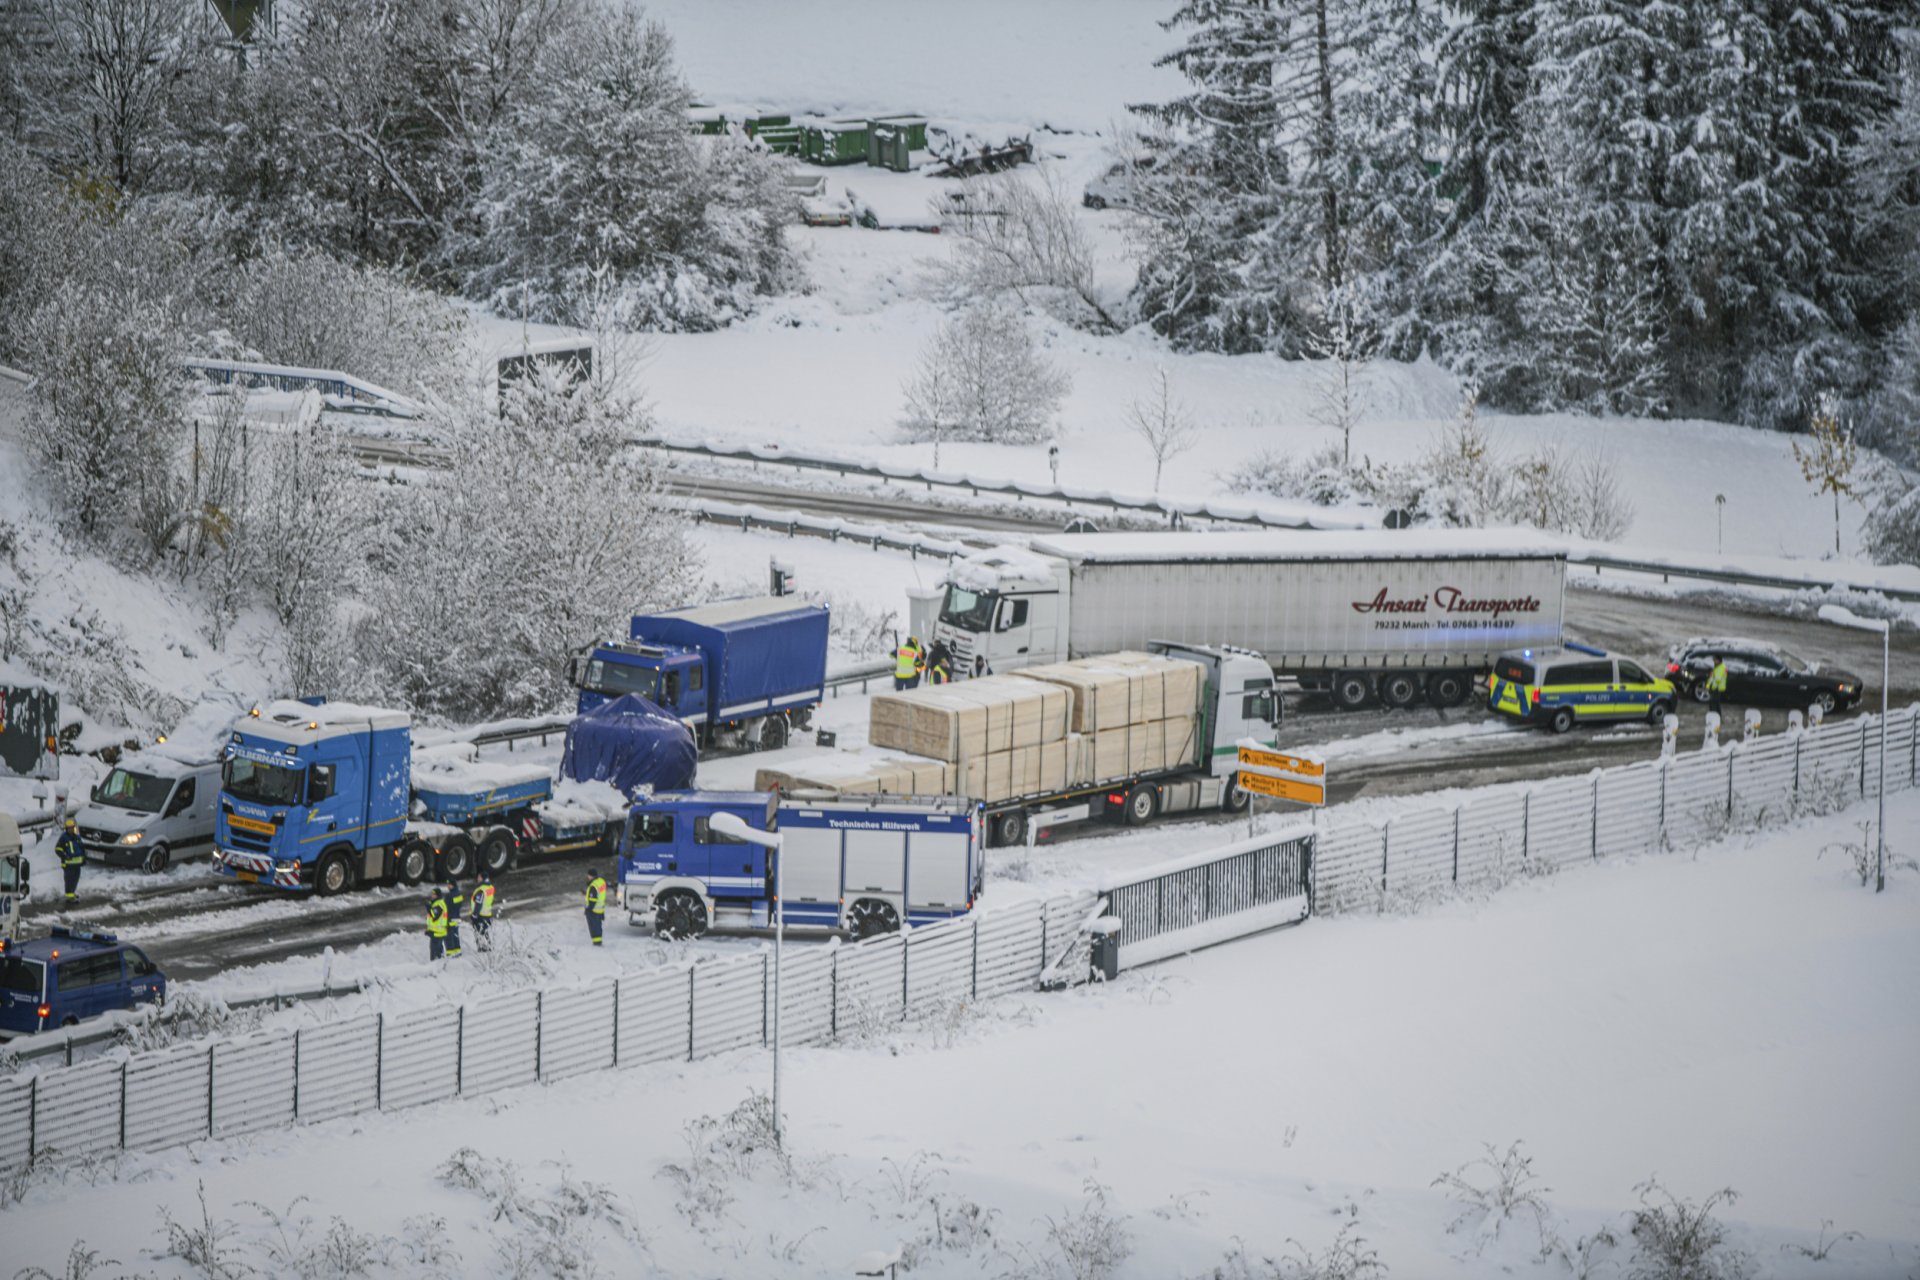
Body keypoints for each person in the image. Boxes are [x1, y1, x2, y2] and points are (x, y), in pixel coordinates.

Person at [56, 817, 85, 903]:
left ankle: (72, 893)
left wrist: (83, 859)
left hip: (77, 864)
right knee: (69, 881)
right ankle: (69, 896)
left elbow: (82, 848)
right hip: (68, 864)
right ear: (66, 829)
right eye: (69, 828)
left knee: (75, 880)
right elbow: (58, 849)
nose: (71, 829)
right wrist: (65, 856)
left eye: (72, 828)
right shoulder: (64, 838)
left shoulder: (77, 837)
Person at [471, 873, 498, 951]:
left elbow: (478, 903)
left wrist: (474, 915)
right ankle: (488, 947)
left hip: (480, 915)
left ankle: (482, 949)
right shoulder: (490, 887)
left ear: (483, 878)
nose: (477, 878)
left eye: (479, 877)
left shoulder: (481, 890)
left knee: (479, 933)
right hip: (487, 913)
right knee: (485, 932)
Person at [425, 886, 449, 961]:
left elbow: (434, 915)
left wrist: (428, 907)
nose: (432, 896)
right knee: (436, 953)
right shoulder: (435, 903)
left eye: (434, 894)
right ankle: (437, 968)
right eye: (432, 894)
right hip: (435, 932)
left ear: (437, 895)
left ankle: (436, 969)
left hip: (438, 933)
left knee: (436, 955)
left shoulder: (440, 904)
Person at [584, 870, 607, 945]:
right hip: (600, 908)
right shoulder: (601, 881)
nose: (587, 877)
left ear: (591, 876)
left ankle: (596, 942)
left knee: (593, 926)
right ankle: (598, 940)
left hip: (593, 909)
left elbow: (593, 899)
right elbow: (599, 894)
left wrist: (588, 909)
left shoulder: (593, 885)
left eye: (588, 875)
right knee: (598, 925)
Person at [444, 878, 464, 958]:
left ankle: (451, 953)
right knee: (455, 935)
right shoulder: (459, 894)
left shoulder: (450, 895)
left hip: (451, 918)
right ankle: (458, 951)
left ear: (452, 885)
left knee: (449, 936)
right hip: (457, 917)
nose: (448, 886)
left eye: (449, 885)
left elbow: (446, 908)